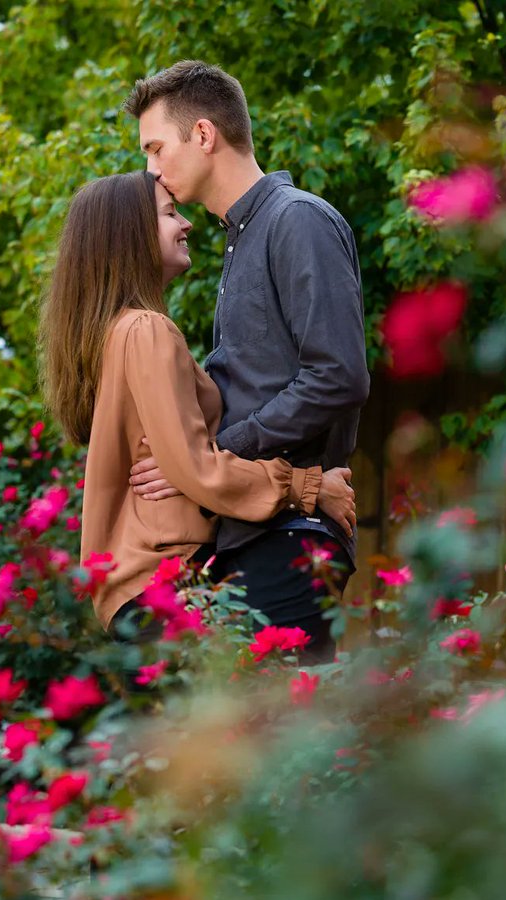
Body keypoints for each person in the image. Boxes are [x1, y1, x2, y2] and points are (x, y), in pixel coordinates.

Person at [123, 61, 370, 662]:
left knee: (288, 742)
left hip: (293, 533)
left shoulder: (296, 220)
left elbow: (338, 377)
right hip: (250, 531)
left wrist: (219, 451)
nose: (150, 169)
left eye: (156, 147)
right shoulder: (240, 240)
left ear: (203, 135)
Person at [39, 169, 356, 637]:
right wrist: (308, 486)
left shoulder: (110, 334)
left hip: (133, 587)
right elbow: (197, 470)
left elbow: (182, 466)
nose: (186, 224)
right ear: (132, 236)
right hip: (164, 576)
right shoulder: (146, 331)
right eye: (169, 214)